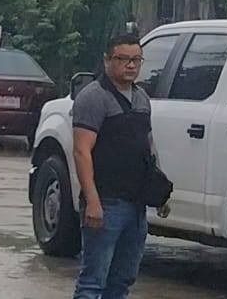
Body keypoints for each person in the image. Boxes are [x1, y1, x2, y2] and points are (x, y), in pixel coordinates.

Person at [71, 34, 155, 299]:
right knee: (93, 282)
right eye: (123, 59)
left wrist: (158, 188)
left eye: (136, 60)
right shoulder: (93, 97)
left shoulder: (141, 98)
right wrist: (93, 201)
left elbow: (148, 146)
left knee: (122, 281)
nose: (131, 65)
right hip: (107, 203)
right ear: (107, 60)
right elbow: (81, 151)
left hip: (136, 205)